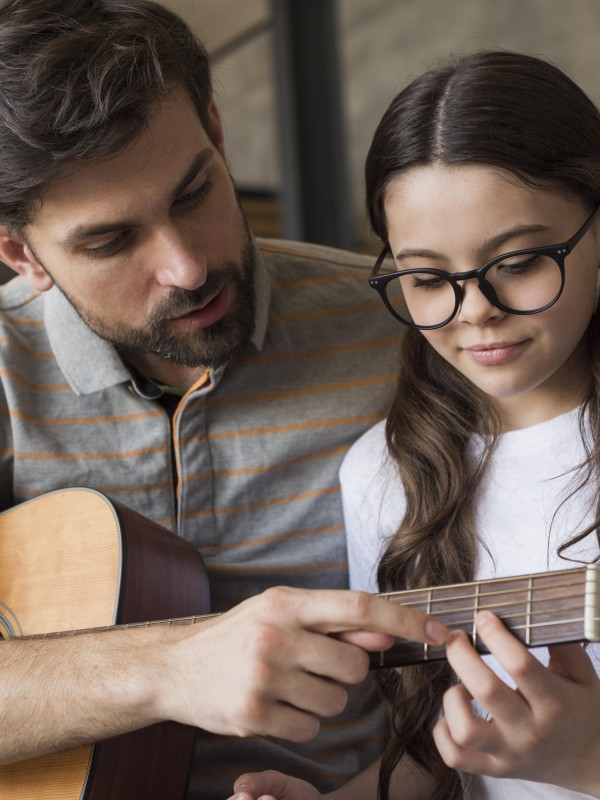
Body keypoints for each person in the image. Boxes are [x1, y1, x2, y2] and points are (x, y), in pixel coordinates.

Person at [0, 1, 451, 798]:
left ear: (214, 124)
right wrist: (167, 668)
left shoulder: (413, 328)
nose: (185, 266)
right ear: (19, 252)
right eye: (110, 241)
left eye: (193, 192)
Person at [227, 50, 600, 800]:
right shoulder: (385, 474)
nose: (474, 311)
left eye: (521, 261)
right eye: (427, 279)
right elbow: (440, 759)